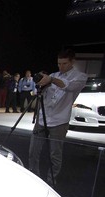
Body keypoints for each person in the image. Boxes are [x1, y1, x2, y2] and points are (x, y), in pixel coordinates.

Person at [28, 48, 88, 186]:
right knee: (33, 151)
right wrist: (42, 85)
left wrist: (51, 80)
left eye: (65, 63)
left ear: (72, 61)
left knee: (55, 154)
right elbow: (42, 93)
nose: (61, 67)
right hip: (43, 119)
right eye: (59, 63)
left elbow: (68, 86)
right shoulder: (54, 75)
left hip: (59, 121)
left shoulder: (80, 76)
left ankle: (52, 182)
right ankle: (33, 178)